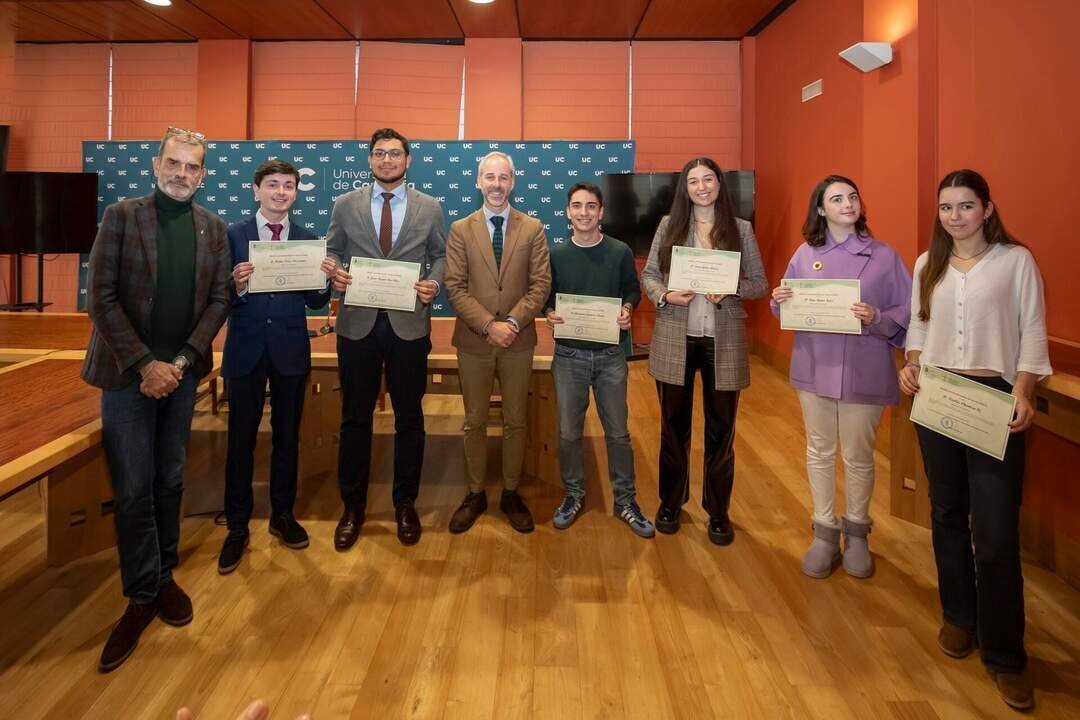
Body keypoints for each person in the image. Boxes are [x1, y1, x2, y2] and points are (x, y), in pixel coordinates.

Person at [899, 169, 1051, 711]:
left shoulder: (1016, 262)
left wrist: (1024, 391)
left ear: (987, 208)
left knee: (995, 531)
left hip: (994, 400)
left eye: (965, 206)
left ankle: (1006, 655)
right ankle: (959, 617)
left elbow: (1032, 332)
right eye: (946, 207)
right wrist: (911, 364)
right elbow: (919, 327)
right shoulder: (928, 264)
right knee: (945, 513)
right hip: (937, 395)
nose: (955, 216)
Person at [82, 126, 231, 672]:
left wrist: (181, 363)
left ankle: (164, 575)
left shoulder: (212, 228)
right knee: (132, 489)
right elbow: (100, 298)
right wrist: (147, 365)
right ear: (156, 165)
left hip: (181, 376)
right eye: (174, 163)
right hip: (128, 378)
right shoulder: (122, 217)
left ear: (203, 174)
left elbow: (219, 300)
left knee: (169, 480)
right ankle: (141, 594)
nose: (182, 174)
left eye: (192, 166)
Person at [770, 175, 911, 578]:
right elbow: (788, 309)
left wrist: (876, 317)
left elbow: (908, 309)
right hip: (815, 364)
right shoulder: (804, 254)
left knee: (858, 455)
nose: (847, 204)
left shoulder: (884, 256)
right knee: (819, 449)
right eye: (836, 199)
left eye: (852, 197)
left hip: (864, 367)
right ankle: (825, 531)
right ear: (821, 209)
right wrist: (780, 300)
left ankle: (858, 532)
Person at [324, 128, 447, 549]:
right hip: (357, 326)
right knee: (354, 418)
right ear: (370, 159)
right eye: (380, 153)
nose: (387, 160)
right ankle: (352, 506)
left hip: (409, 326)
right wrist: (335, 271)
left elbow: (440, 255)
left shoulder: (430, 207)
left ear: (408, 160)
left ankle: (405, 503)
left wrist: (434, 283)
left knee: (409, 417)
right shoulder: (345, 204)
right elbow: (332, 250)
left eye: (395, 153)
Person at [217, 159, 336, 574]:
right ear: (256, 190)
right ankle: (237, 525)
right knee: (240, 440)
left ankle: (282, 516)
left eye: (288, 185)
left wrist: (325, 279)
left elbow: (315, 301)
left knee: (287, 438)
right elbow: (216, 295)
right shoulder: (232, 236)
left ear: (296, 192)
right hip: (245, 350)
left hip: (289, 351)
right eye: (272, 184)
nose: (280, 192)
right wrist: (235, 284)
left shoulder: (307, 240)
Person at [640, 156, 767, 545]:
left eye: (708, 179)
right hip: (676, 336)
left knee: (721, 431)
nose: (701, 187)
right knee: (672, 429)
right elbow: (649, 275)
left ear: (719, 185)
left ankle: (718, 510)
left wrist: (732, 288)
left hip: (723, 340)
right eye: (693, 181)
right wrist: (665, 296)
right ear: (685, 188)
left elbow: (759, 282)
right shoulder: (669, 225)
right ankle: (670, 502)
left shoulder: (740, 229)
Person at [444, 151, 552, 534]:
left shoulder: (533, 228)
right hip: (474, 341)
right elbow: (454, 287)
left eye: (503, 177)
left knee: (515, 421)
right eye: (489, 177)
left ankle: (510, 492)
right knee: (474, 422)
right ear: (478, 182)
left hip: (518, 341)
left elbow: (540, 284)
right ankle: (475, 494)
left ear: (513, 182)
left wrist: (512, 323)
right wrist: (490, 325)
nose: (496, 184)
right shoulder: (460, 229)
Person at [544, 182, 654, 538]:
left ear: (601, 212)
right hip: (569, 356)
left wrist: (628, 308)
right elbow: (546, 296)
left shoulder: (620, 251)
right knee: (568, 433)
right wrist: (549, 313)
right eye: (577, 206)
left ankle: (625, 500)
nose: (584, 212)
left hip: (610, 356)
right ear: (567, 212)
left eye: (591, 206)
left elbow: (633, 289)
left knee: (618, 433)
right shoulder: (556, 254)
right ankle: (574, 495)